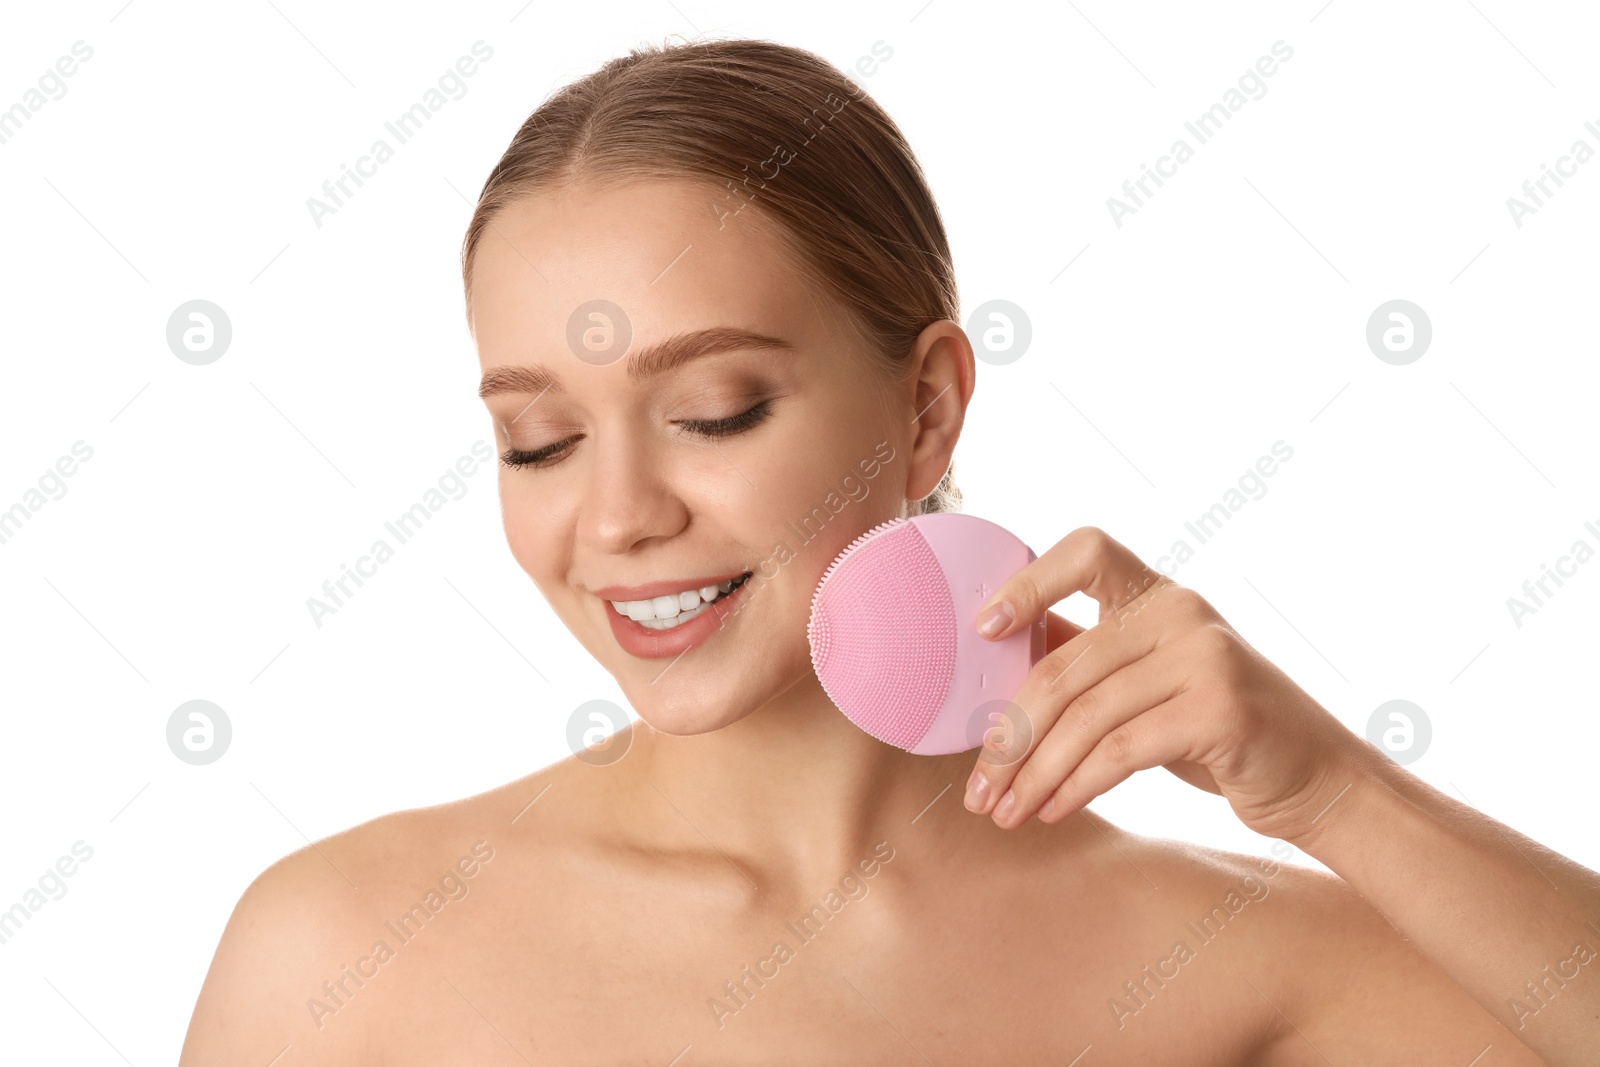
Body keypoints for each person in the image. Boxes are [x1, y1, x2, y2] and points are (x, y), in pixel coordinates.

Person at [180, 38, 1597, 1065]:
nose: (613, 519)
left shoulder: (1219, 963)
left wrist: (1331, 791)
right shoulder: (337, 955)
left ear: (926, 408)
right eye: (538, 439)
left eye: (710, 411)